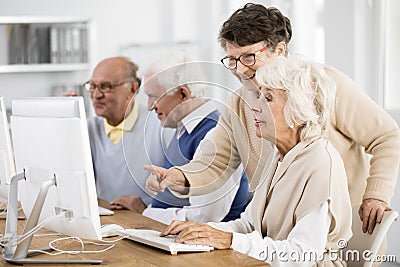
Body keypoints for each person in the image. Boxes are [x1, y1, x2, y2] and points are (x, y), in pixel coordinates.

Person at [145, 3, 400, 234]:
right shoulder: (237, 103)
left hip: (338, 232)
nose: (241, 69)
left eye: (248, 57)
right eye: (232, 60)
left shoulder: (326, 85)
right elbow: (214, 162)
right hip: (275, 239)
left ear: (280, 49)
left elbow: (386, 136)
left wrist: (376, 195)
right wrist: (177, 176)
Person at [159, 55, 352, 266]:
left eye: (268, 98)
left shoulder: (321, 162)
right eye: (259, 96)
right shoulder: (278, 155)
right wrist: (204, 231)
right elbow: (249, 225)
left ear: (299, 111)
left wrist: (230, 240)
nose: (254, 107)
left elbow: (301, 254)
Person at [111, 51, 249, 224]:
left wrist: (144, 211)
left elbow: (202, 218)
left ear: (183, 94)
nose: (149, 106)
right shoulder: (184, 129)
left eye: (154, 96)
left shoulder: (213, 134)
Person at [66, 57, 166, 209]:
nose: (96, 95)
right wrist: (63, 126)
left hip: (147, 222)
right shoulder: (87, 128)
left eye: (106, 87)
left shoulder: (159, 124)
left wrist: (145, 208)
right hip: (105, 221)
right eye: (92, 86)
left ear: (132, 89)